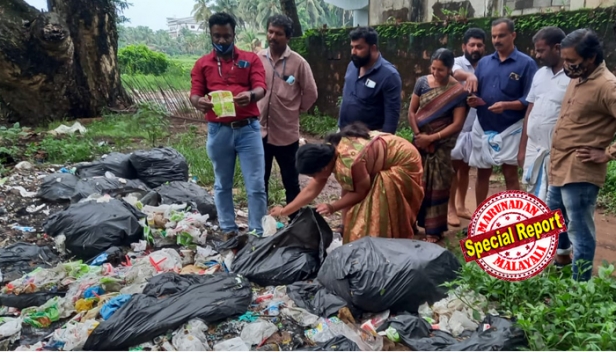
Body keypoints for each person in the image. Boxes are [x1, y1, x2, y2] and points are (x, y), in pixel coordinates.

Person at [269, 122, 424, 244]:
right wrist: (284, 211)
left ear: (322, 168)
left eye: (313, 175)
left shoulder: (349, 162)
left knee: (377, 208)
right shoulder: (330, 150)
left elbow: (360, 193)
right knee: (355, 215)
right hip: (390, 152)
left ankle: (388, 243)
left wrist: (332, 206)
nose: (314, 179)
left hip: (403, 162)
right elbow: (311, 190)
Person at [189, 12, 268, 238]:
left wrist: (251, 96)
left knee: (255, 184)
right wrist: (199, 102)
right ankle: (228, 229)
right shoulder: (202, 64)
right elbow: (194, 93)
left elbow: (261, 87)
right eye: (217, 36)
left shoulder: (251, 59)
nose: (222, 41)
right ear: (211, 35)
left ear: (234, 34)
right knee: (222, 183)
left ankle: (256, 232)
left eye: (226, 36)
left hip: (248, 130)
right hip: (218, 131)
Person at [548, 28, 616, 281]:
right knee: (554, 217)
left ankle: (581, 287)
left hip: (581, 169)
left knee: (579, 229)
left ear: (590, 58)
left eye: (572, 61)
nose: (566, 66)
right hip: (559, 165)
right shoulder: (579, 78)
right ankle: (563, 258)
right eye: (565, 60)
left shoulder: (607, 86)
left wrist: (607, 153)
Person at [468, 18, 538, 206]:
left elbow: (529, 99)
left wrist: (506, 105)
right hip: (483, 126)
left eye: (501, 35)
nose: (497, 40)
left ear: (513, 35)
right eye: (493, 36)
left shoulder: (526, 64)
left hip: (511, 128)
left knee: (510, 174)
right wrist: (473, 99)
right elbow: (476, 90)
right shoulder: (483, 63)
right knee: (482, 173)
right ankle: (479, 218)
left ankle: (514, 222)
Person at [257, 14, 318, 221]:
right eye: (270, 31)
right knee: (260, 180)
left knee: (290, 180)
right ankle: (261, 221)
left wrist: (295, 109)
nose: (272, 37)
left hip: (286, 133)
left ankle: (294, 221)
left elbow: (311, 93)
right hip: (260, 132)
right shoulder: (258, 59)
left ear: (288, 37)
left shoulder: (298, 63)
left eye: (278, 33)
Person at [408, 48, 468, 243]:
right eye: (433, 68)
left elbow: (457, 124)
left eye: (440, 70)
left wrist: (432, 138)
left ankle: (434, 231)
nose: (435, 73)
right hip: (419, 143)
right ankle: (410, 224)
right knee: (415, 184)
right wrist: (419, 136)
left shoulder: (458, 91)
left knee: (438, 185)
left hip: (441, 147)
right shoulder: (422, 83)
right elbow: (411, 112)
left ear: (450, 69)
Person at [517, 26, 569, 202]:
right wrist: (522, 148)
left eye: (541, 51)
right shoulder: (539, 74)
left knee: (556, 200)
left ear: (557, 48)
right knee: (532, 198)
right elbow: (530, 110)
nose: (537, 55)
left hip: (559, 153)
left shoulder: (574, 76)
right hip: (533, 148)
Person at [448, 28, 487, 227]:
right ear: (464, 46)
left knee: (466, 168)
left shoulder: (486, 64)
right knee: (454, 169)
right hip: (457, 125)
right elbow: (455, 72)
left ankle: (462, 205)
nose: (475, 48)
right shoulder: (457, 62)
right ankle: (451, 209)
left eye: (479, 45)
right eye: (471, 44)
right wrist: (469, 76)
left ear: (484, 47)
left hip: (475, 125)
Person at [338, 26, 402, 134]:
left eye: (359, 47)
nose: (353, 52)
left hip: (368, 140)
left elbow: (391, 118)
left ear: (373, 48)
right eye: (352, 47)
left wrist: (381, 142)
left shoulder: (389, 75)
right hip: (343, 132)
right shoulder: (352, 66)